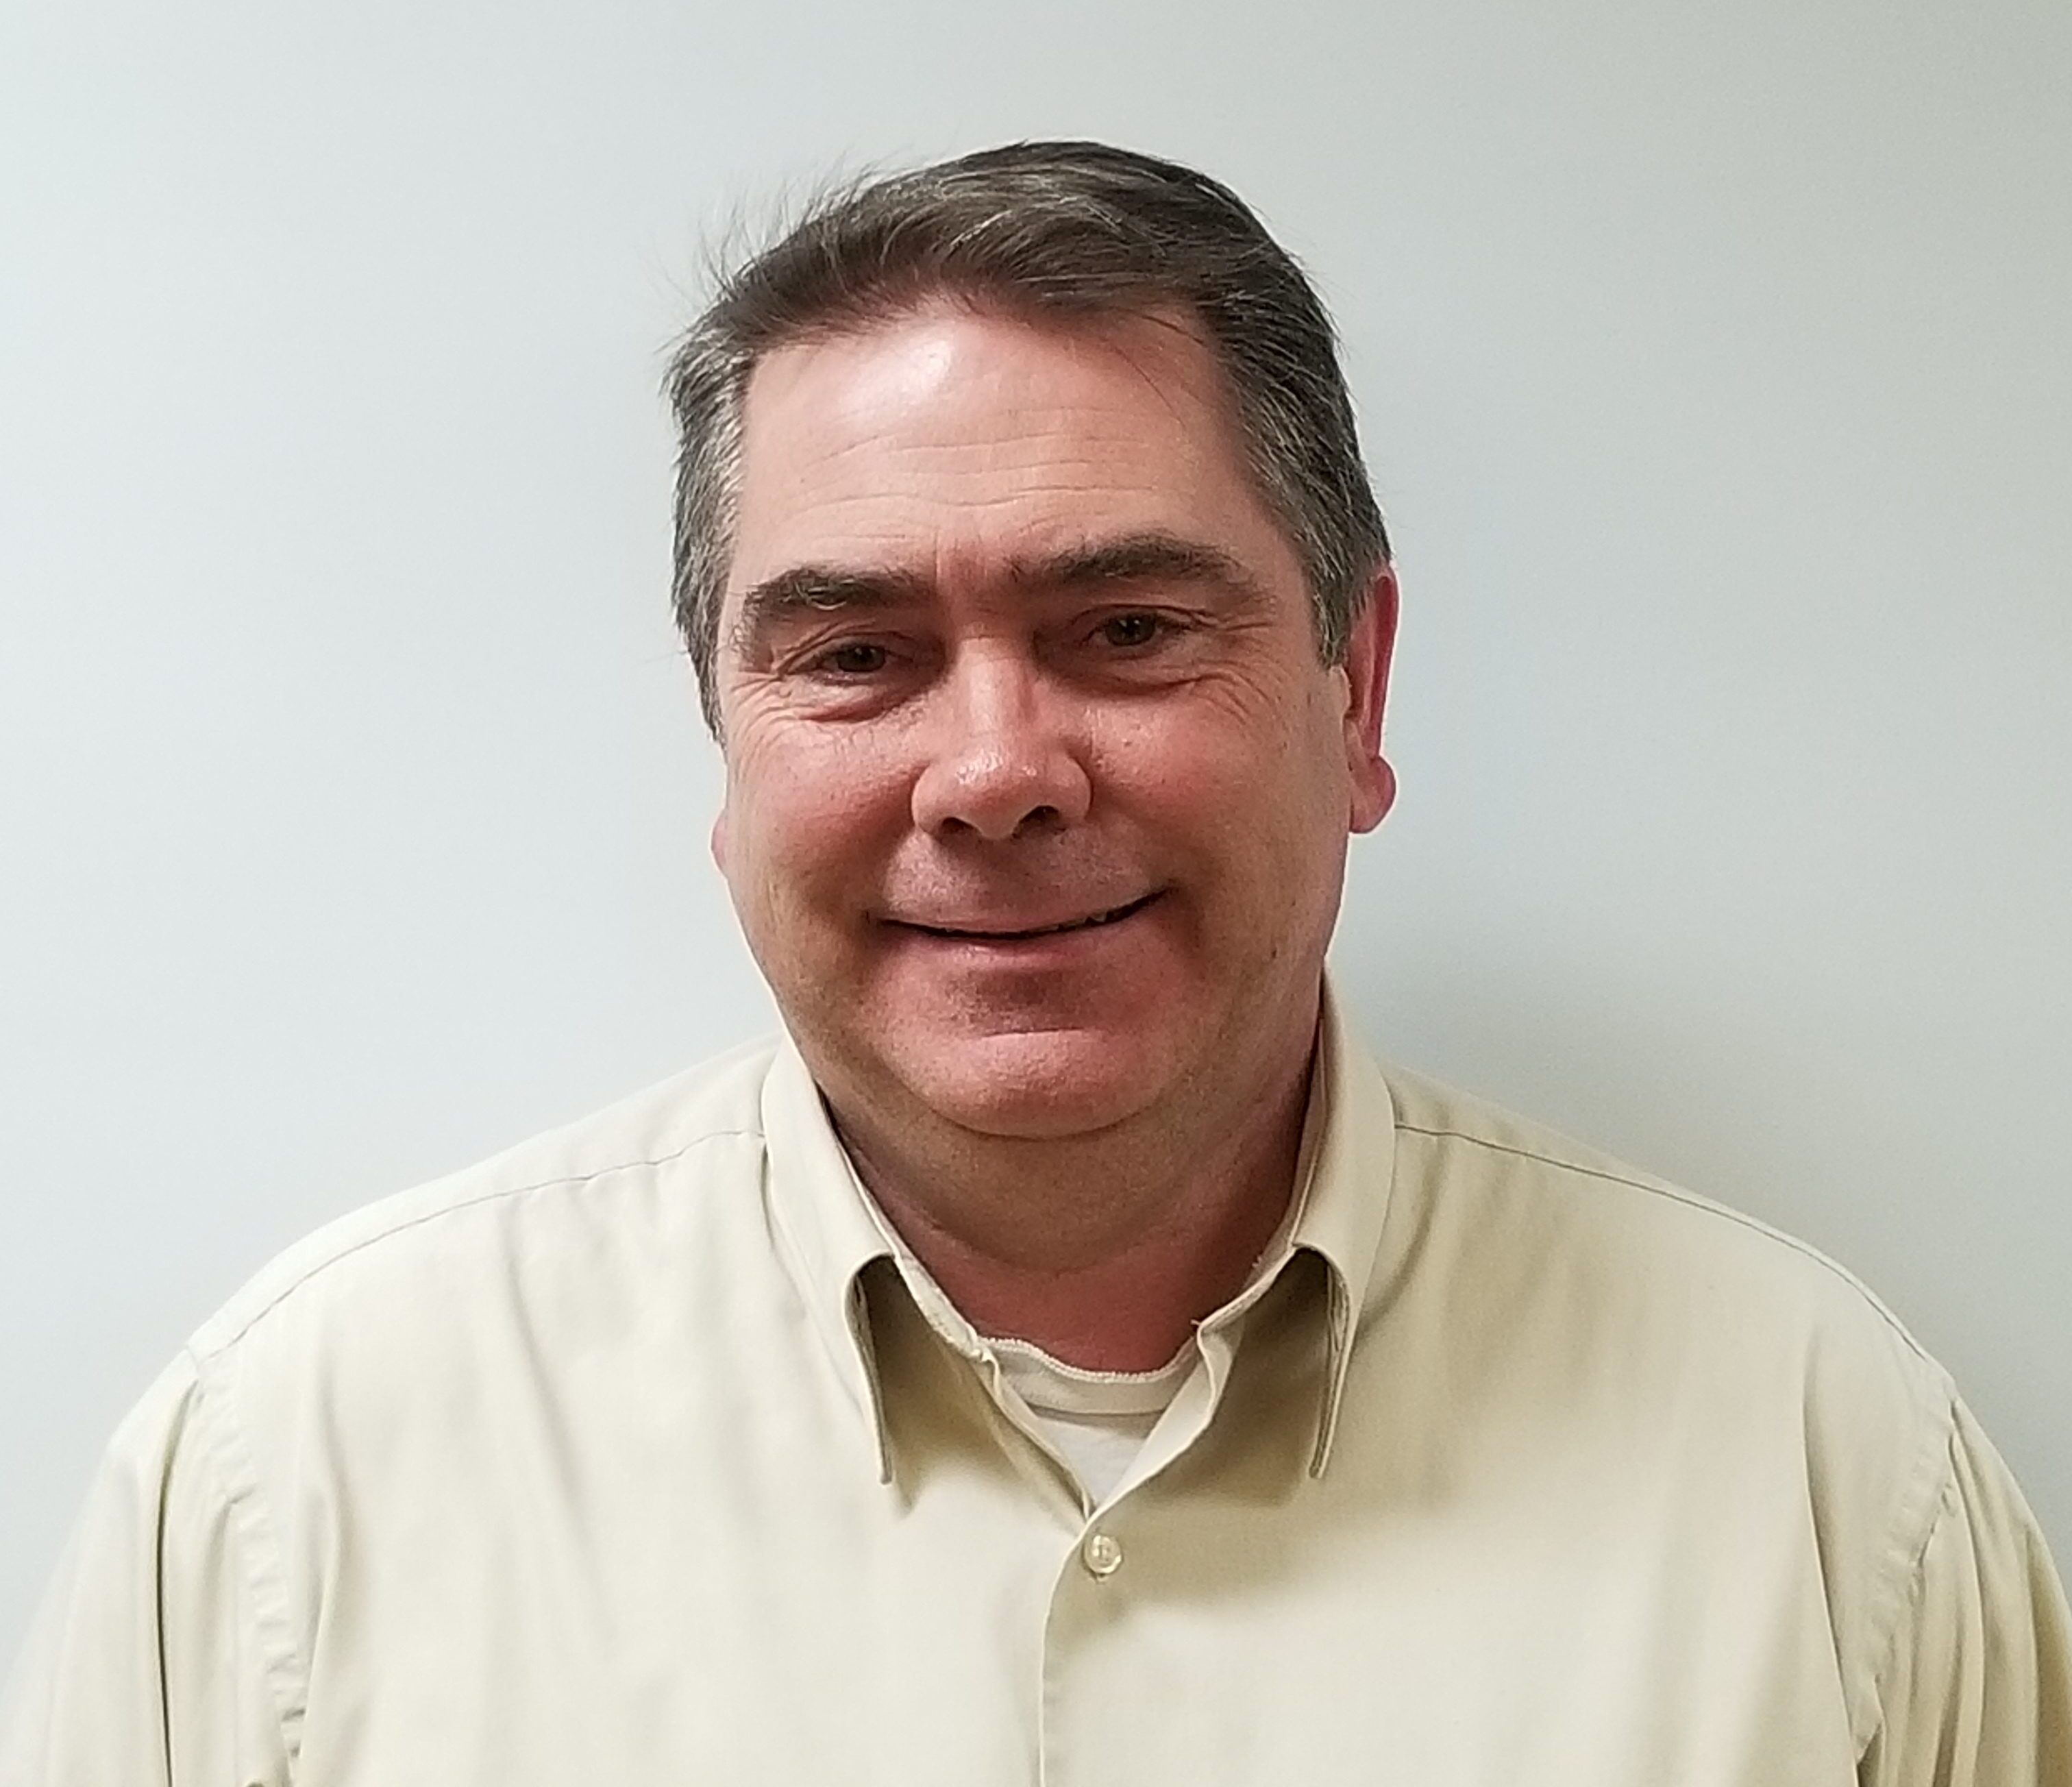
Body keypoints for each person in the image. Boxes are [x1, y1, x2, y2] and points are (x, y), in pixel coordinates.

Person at [3, 141, 2066, 1785]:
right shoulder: (294, 1480)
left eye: (1129, 630)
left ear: (1355, 690)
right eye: (856, 654)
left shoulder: (1824, 1467)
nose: (993, 773)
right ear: (725, 738)